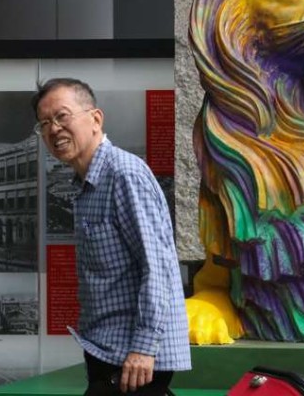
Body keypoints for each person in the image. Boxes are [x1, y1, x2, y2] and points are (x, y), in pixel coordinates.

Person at [33, 78, 190, 395]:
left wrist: (144, 348)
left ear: (95, 118)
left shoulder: (123, 174)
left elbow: (156, 266)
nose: (53, 130)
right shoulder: (85, 184)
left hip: (133, 358)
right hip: (107, 350)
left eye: (62, 116)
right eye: (45, 123)